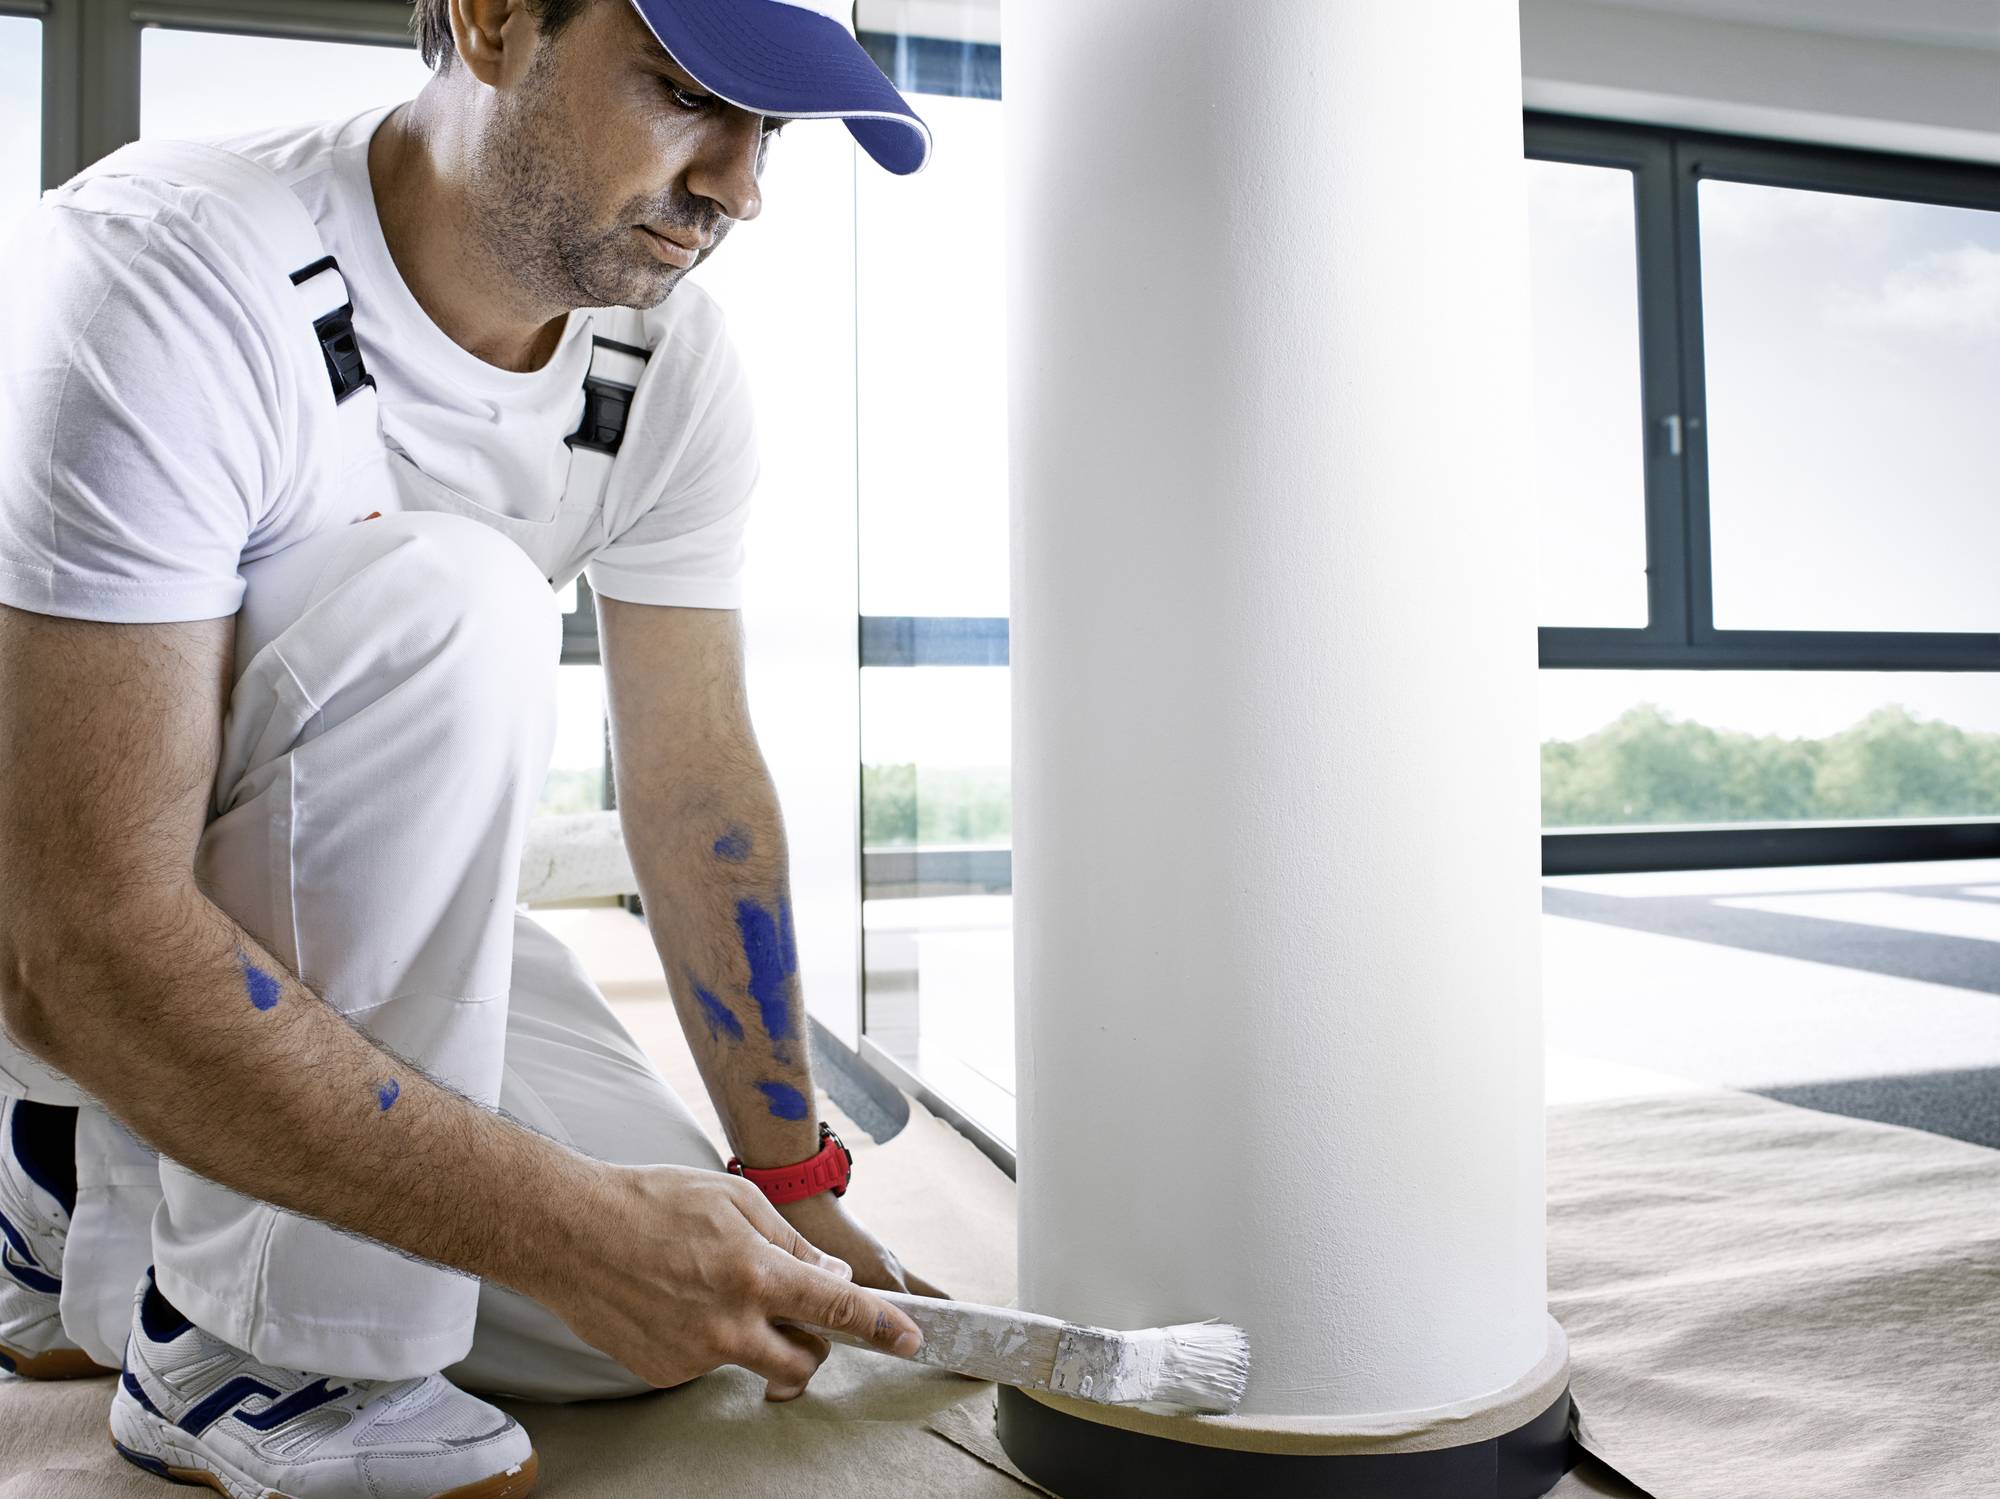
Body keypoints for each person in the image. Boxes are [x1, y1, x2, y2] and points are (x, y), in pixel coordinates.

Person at [0, 0, 941, 1493]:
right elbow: (66, 929)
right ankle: (228, 1353)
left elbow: (696, 790)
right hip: (62, 911)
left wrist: (788, 1179)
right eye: (690, 93)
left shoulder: (668, 373)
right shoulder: (169, 267)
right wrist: (560, 1228)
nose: (741, 185)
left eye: (769, 128)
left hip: (291, 907)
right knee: (454, 601)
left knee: (675, 1307)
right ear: (493, 21)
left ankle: (71, 1206)